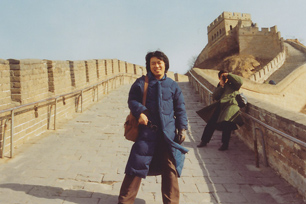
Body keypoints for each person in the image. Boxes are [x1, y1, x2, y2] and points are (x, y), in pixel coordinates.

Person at [118, 50, 189, 204]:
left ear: (165, 65)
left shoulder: (172, 85)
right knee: (136, 166)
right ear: (149, 66)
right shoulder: (141, 82)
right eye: (153, 63)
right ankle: (125, 201)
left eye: (159, 62)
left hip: (167, 135)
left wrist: (182, 128)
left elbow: (180, 108)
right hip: (146, 133)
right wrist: (140, 112)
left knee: (171, 170)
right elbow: (132, 100)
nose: (156, 66)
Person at [196, 70, 244, 151]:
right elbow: (215, 96)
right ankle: (204, 141)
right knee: (211, 122)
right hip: (221, 106)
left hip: (231, 105)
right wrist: (221, 86)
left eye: (224, 76)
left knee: (226, 123)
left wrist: (228, 75)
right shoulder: (220, 85)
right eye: (222, 77)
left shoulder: (233, 84)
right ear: (219, 78)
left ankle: (225, 144)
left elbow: (240, 81)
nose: (224, 78)